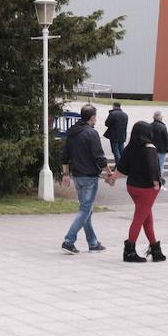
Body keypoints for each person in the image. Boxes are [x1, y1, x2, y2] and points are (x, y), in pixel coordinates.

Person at [60, 104, 114, 254]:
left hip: (77, 176)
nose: (96, 119)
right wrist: (110, 174)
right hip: (89, 177)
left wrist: (65, 174)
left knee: (87, 210)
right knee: (85, 209)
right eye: (95, 117)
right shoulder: (91, 133)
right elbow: (100, 157)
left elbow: (65, 156)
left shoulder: (72, 133)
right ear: (92, 118)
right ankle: (69, 240)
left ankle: (93, 243)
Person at [109, 121, 165, 263]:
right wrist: (156, 183)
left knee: (147, 218)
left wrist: (113, 178)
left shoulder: (130, 147)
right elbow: (153, 167)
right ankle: (129, 251)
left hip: (132, 187)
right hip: (147, 188)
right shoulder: (150, 147)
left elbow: (121, 166)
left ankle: (155, 249)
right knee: (139, 219)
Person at [151, 111, 168, 182]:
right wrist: (167, 148)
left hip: (151, 149)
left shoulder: (150, 126)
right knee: (160, 166)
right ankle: (160, 181)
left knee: (152, 165)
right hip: (161, 149)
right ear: (160, 117)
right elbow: (166, 139)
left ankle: (151, 180)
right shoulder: (162, 127)